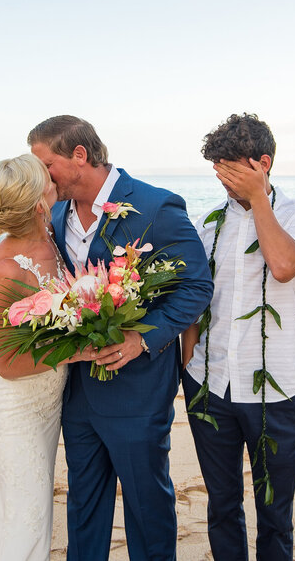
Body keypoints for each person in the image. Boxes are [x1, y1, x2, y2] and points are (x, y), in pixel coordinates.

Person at [28, 115, 213, 561]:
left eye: (45, 165)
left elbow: (197, 286)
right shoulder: (52, 214)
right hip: (76, 391)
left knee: (147, 505)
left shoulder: (155, 206)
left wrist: (141, 340)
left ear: (79, 155)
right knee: (83, 503)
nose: (40, 177)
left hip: (139, 388)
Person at [179, 113, 295, 561]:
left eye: (232, 168)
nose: (222, 178)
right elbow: (196, 301)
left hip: (274, 390)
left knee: (275, 511)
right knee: (222, 505)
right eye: (217, 168)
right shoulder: (207, 223)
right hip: (209, 384)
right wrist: (186, 365)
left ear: (264, 162)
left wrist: (258, 197)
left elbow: (283, 267)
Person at [0, 153, 73, 561]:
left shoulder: (54, 235)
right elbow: (5, 363)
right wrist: (76, 350)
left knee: (6, 510)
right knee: (28, 514)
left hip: (50, 403)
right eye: (48, 179)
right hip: (18, 409)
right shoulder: (9, 266)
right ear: (40, 202)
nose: (56, 180)